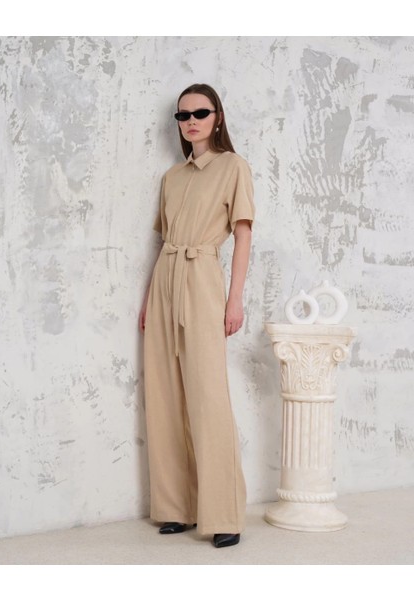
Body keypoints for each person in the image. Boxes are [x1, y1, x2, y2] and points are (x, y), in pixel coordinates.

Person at [139, 83, 255, 548]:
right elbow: (163, 242)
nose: (190, 121)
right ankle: (176, 508)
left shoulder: (233, 167)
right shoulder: (172, 177)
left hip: (203, 277)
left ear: (217, 117)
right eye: (182, 115)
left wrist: (234, 299)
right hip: (165, 280)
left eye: (200, 113)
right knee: (164, 394)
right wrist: (149, 298)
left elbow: (243, 236)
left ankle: (224, 513)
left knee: (208, 396)